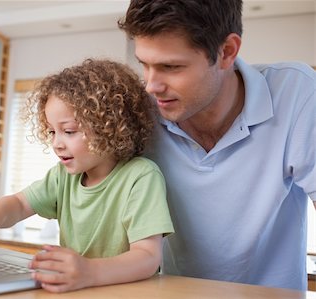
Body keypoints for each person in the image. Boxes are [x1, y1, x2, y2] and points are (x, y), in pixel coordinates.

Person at [118, 0, 316, 291]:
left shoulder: (297, 93)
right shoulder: (142, 112)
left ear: (227, 52)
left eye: (170, 66)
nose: (151, 85)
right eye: (144, 65)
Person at [0, 59, 174, 293]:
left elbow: (147, 256)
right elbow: (20, 203)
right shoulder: (63, 177)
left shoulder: (141, 176)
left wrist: (91, 272)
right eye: (52, 131)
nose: (56, 143)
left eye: (68, 131)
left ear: (110, 125)